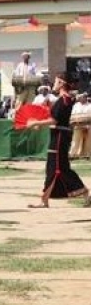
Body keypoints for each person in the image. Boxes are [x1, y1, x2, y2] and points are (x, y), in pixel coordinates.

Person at [27, 73, 91, 208]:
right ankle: (47, 199)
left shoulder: (63, 100)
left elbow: (54, 120)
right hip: (59, 135)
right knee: (60, 167)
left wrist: (35, 123)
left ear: (61, 83)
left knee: (55, 167)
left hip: (59, 137)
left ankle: (46, 199)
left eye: (56, 81)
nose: (53, 84)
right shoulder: (65, 99)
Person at [69, 93, 91, 159]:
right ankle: (73, 154)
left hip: (88, 125)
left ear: (85, 98)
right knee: (75, 140)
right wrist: (73, 122)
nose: (80, 99)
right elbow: (72, 114)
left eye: (82, 97)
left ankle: (87, 154)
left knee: (88, 140)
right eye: (80, 98)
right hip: (77, 124)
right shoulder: (76, 105)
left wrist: (87, 124)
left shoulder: (90, 105)